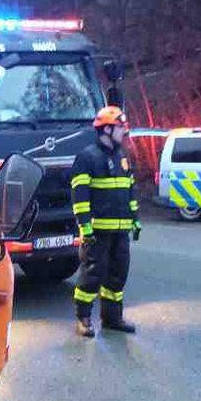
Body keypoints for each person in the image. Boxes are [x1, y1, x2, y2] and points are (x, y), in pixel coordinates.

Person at [70, 106, 139, 338]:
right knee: (92, 274)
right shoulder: (87, 157)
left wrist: (135, 219)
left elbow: (130, 190)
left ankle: (112, 318)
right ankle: (83, 318)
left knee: (118, 274)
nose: (124, 132)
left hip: (121, 231)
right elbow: (80, 197)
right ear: (107, 129)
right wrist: (85, 227)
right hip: (97, 232)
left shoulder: (122, 157)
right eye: (121, 128)